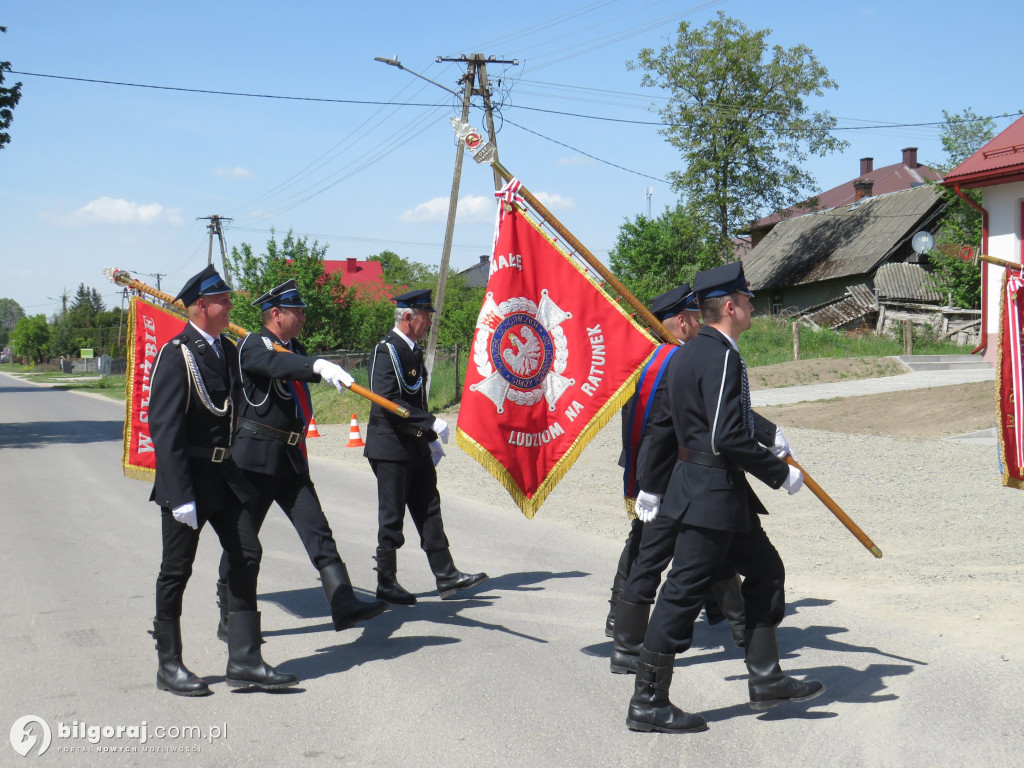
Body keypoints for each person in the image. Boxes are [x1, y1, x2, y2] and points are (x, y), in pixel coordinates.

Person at [625, 262, 823, 733]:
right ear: (730, 307)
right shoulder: (724, 358)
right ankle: (648, 700)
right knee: (681, 593)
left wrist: (650, 484)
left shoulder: (686, 354)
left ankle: (766, 677)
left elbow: (662, 426)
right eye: (748, 299)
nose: (753, 304)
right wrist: (778, 473)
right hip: (710, 495)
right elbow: (727, 436)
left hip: (712, 494)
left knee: (765, 569)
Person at [148, 265, 297, 695]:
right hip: (190, 480)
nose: (230, 305)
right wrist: (178, 493)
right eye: (224, 300)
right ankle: (169, 664)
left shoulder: (228, 350)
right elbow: (166, 428)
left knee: (246, 553)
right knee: (177, 570)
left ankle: (245, 658)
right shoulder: (177, 354)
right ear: (201, 306)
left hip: (226, 475)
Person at [212, 278, 386, 640]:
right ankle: (229, 615)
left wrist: (314, 363)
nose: (303, 318)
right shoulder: (252, 345)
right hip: (253, 462)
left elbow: (291, 365)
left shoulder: (292, 347)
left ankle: (343, 603)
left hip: (289, 459)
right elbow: (274, 366)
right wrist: (316, 366)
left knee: (318, 532)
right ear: (276, 314)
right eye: (298, 312)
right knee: (242, 542)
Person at [609, 284, 757, 674]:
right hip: (669, 474)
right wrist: (651, 487)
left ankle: (737, 626)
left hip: (670, 473)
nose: (696, 323)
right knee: (653, 554)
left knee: (696, 550)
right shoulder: (668, 361)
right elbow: (661, 430)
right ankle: (627, 641)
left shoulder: (667, 358)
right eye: (691, 316)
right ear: (682, 320)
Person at [364, 289, 487, 604]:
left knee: (429, 508)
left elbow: (414, 396)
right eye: (426, 317)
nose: (430, 323)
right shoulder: (386, 351)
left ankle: (446, 575)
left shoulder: (412, 351)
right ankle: (386, 583)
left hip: (414, 445)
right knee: (392, 516)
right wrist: (429, 422)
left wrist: (428, 439)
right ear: (408, 317)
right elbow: (387, 399)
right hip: (390, 447)